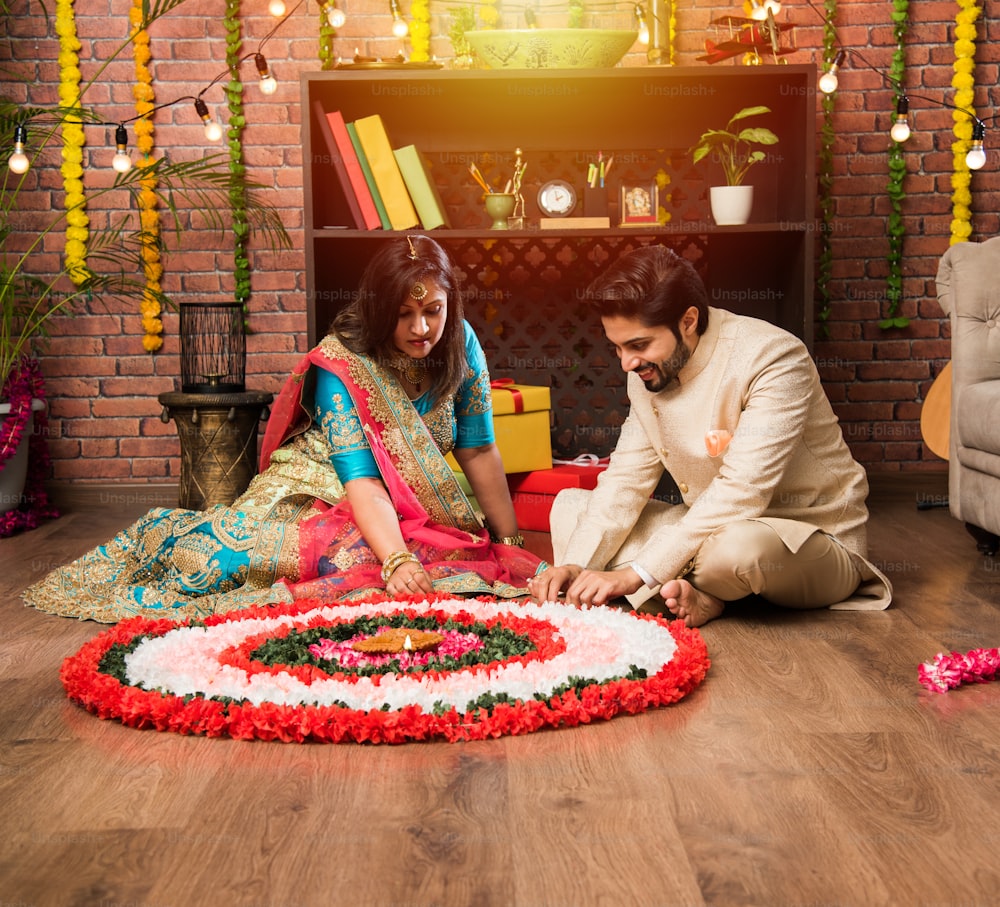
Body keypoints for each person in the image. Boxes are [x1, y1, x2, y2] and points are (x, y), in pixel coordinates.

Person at [25, 235, 543, 623]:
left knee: (454, 558)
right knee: (338, 561)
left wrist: (511, 543)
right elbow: (360, 479)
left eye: (432, 311)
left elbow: (478, 449)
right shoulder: (344, 363)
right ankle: (169, 535)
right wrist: (397, 560)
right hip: (318, 487)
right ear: (379, 310)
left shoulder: (459, 343)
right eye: (403, 315)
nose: (421, 329)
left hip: (403, 503)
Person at [527, 244, 892, 627]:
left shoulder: (773, 357)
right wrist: (576, 565)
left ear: (688, 321)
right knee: (570, 507)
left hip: (806, 538)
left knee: (737, 551)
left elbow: (742, 492)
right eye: (617, 347)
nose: (626, 363)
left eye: (638, 345)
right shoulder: (646, 371)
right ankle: (700, 595)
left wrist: (633, 573)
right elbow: (625, 480)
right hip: (711, 528)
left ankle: (669, 586)